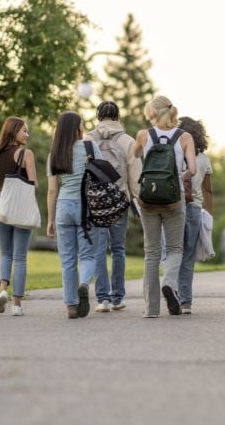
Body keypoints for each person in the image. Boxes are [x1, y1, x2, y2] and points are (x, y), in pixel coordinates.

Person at [134, 95, 196, 317]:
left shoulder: (143, 134)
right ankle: (169, 282)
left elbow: (135, 154)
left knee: (151, 253)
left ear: (152, 113)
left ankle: (151, 310)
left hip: (147, 198)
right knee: (175, 249)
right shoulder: (185, 136)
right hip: (173, 197)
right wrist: (181, 174)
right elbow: (194, 170)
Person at [87, 101, 141, 313]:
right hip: (120, 200)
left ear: (98, 116)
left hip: (96, 201)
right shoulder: (128, 141)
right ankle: (118, 297)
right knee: (118, 249)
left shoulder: (88, 139)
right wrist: (138, 201)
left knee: (98, 249)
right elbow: (135, 175)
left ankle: (103, 299)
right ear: (118, 117)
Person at [47, 111, 101, 319]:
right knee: (87, 255)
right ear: (77, 128)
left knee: (67, 260)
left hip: (63, 206)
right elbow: (104, 175)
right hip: (86, 205)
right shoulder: (90, 147)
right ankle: (84, 284)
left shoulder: (55, 154)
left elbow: (52, 190)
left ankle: (71, 305)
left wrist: (51, 219)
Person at [0, 116, 38, 316]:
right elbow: (33, 185)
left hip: (2, 206)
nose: (27, 134)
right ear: (14, 131)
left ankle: (2, 291)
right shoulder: (25, 154)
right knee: (20, 258)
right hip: (22, 207)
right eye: (24, 130)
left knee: (5, 254)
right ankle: (17, 304)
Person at [177, 116, 214, 315]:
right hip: (194, 209)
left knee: (173, 251)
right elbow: (208, 191)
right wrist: (209, 215)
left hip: (173, 206)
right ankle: (186, 302)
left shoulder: (175, 154)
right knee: (188, 255)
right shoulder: (203, 159)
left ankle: (172, 289)